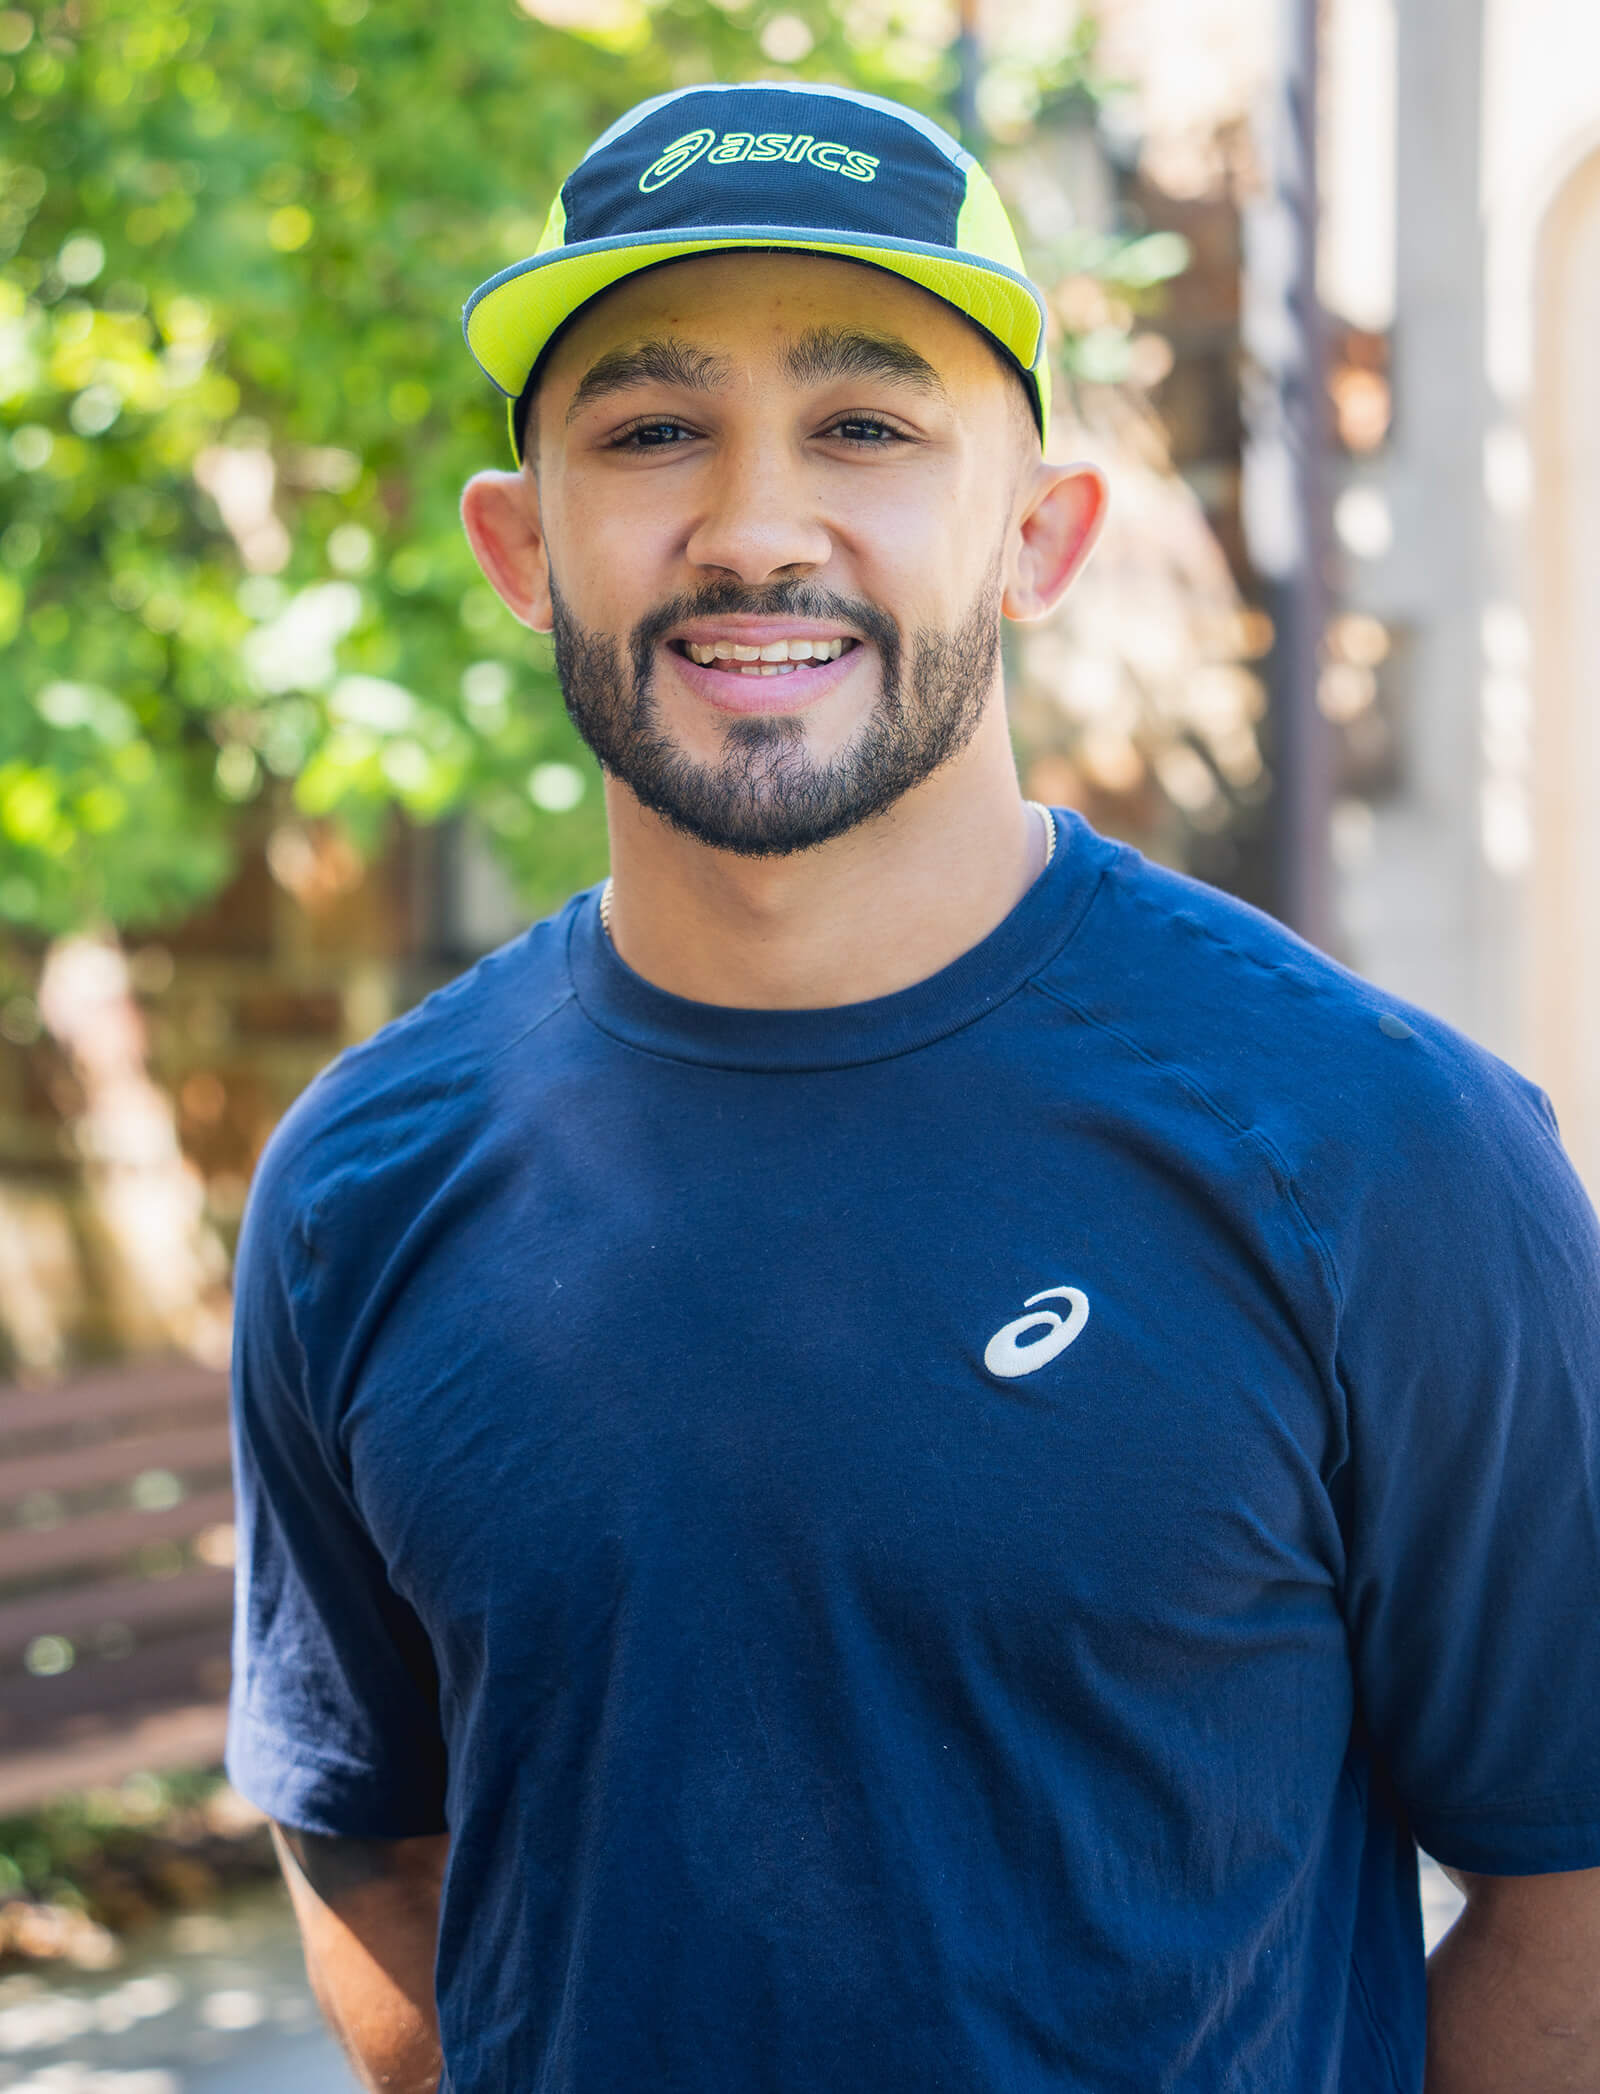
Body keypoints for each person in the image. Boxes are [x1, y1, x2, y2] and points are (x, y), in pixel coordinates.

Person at [226, 80, 1600, 2094]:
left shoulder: (1380, 1151)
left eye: (865, 429)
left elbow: (1565, 1886)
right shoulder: (365, 1178)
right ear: (523, 548)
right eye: (647, 431)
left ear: (1036, 536)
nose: (755, 524)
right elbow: (368, 1827)